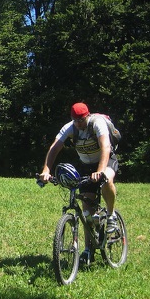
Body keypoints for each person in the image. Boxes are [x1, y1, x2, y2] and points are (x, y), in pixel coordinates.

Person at [38, 102, 119, 265]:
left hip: (106, 161)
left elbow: (105, 146)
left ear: (87, 116)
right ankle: (88, 249)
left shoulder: (97, 123)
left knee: (107, 180)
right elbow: (54, 148)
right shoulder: (70, 127)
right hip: (86, 166)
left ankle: (111, 215)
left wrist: (100, 171)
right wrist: (46, 170)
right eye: (75, 120)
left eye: (81, 120)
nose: (78, 124)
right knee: (87, 211)